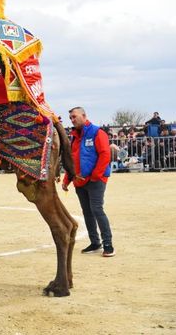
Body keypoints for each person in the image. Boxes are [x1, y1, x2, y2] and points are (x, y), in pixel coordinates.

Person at [62, 107, 115, 257]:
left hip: (95, 180)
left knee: (97, 210)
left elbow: (105, 155)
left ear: (84, 116)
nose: (72, 120)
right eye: (71, 118)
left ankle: (108, 244)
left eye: (75, 116)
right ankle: (95, 242)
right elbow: (72, 161)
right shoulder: (74, 137)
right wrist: (67, 180)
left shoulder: (97, 132)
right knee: (87, 212)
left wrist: (95, 176)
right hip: (80, 181)